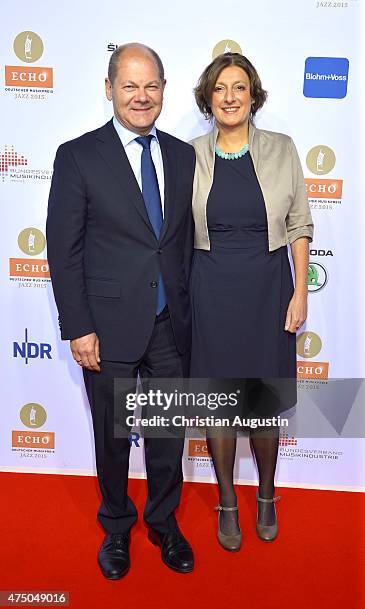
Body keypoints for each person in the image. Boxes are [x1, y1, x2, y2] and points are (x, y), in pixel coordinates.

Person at [46, 43, 195, 579]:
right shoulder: (79, 155)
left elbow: (179, 243)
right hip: (105, 329)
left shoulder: (183, 155)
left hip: (170, 326)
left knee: (166, 435)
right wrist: (79, 325)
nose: (141, 96)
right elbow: (63, 250)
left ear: (163, 91)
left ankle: (163, 522)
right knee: (111, 438)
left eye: (151, 85)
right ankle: (116, 527)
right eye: (130, 85)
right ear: (109, 89)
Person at [190, 53, 313, 551]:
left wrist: (300, 290)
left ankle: (265, 495)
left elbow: (300, 225)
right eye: (221, 88)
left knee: (261, 406)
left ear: (254, 95)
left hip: (268, 288)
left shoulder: (283, 149)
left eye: (240, 87)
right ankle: (226, 501)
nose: (231, 97)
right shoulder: (189, 153)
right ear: (208, 98)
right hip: (210, 289)